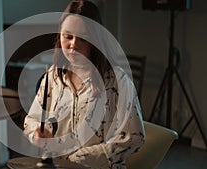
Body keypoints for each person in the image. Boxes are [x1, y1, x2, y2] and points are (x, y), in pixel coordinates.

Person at [23, 0, 145, 168]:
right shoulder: (53, 76)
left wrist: (79, 159)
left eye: (82, 39)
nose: (73, 45)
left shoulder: (118, 80)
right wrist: (37, 134)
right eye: (68, 36)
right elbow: (31, 121)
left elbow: (132, 137)